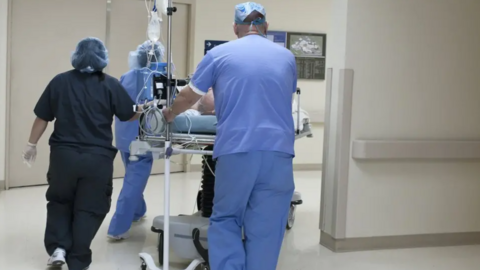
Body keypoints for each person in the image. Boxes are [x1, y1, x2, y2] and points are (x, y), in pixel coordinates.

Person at [161, 2, 297, 270]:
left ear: (235, 27)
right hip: (279, 153)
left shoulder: (219, 54)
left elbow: (190, 96)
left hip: (237, 150)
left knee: (226, 219)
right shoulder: (287, 57)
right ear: (266, 27)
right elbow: (284, 94)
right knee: (268, 226)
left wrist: (169, 113)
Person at [22, 37, 150, 270]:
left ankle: (58, 249)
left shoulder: (59, 82)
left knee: (60, 201)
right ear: (103, 58)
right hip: (97, 159)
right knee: (90, 206)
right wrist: (143, 108)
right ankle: (79, 258)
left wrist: (32, 143)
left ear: (76, 56)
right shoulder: (110, 84)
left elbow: (42, 116)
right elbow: (127, 114)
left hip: (63, 157)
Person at [107, 40, 165, 240]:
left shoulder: (126, 76)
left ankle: (138, 211)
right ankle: (117, 228)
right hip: (145, 139)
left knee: (133, 177)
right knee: (133, 182)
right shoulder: (160, 77)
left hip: (124, 136)